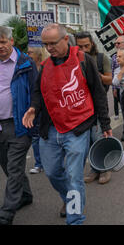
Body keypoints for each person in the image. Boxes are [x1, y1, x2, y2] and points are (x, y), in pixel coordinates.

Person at [22, 23, 112, 225]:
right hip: (51, 130)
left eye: (53, 43)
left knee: (74, 177)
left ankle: (75, 218)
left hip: (78, 129)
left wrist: (105, 125)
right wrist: (34, 108)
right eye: (45, 44)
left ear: (65, 39)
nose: (49, 48)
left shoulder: (84, 61)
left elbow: (98, 93)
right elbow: (38, 92)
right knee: (53, 172)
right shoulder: (44, 66)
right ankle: (69, 198)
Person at [0, 26, 37, 225]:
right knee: (7, 165)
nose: (0, 47)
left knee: (14, 167)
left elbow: (36, 91)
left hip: (19, 124)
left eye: (3, 42)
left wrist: (32, 110)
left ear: (11, 41)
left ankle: (6, 215)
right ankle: (24, 195)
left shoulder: (26, 64)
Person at [75, 32, 113, 185]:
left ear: (92, 44)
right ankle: (95, 168)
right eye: (80, 46)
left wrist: (96, 76)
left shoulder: (101, 58)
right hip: (81, 106)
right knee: (87, 140)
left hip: (98, 103)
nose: (83, 49)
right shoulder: (73, 59)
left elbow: (110, 79)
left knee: (99, 137)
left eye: (86, 46)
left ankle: (105, 168)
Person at [26, 46, 49, 174]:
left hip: (45, 108)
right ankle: (39, 163)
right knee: (35, 137)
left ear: (38, 54)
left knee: (46, 136)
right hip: (33, 107)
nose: (27, 54)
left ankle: (50, 162)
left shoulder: (44, 68)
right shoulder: (27, 68)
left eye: (30, 52)